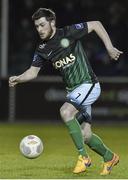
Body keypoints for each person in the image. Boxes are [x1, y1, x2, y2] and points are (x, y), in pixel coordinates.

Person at [9, 8, 123, 175]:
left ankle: (83, 158)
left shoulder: (68, 32)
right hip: (74, 91)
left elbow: (96, 24)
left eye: (42, 25)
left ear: (52, 22)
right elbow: (32, 72)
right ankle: (109, 157)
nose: (39, 29)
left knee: (65, 111)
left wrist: (110, 47)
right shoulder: (42, 48)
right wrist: (18, 78)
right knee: (86, 135)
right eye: (37, 27)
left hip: (88, 84)